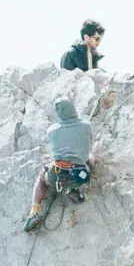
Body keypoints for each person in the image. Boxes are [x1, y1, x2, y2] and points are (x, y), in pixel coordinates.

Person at [25, 96, 94, 229]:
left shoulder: (51, 130)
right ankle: (76, 188)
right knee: (90, 158)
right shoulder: (86, 125)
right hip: (80, 173)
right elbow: (87, 147)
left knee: (41, 178)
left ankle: (33, 212)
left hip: (58, 173)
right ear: (72, 109)